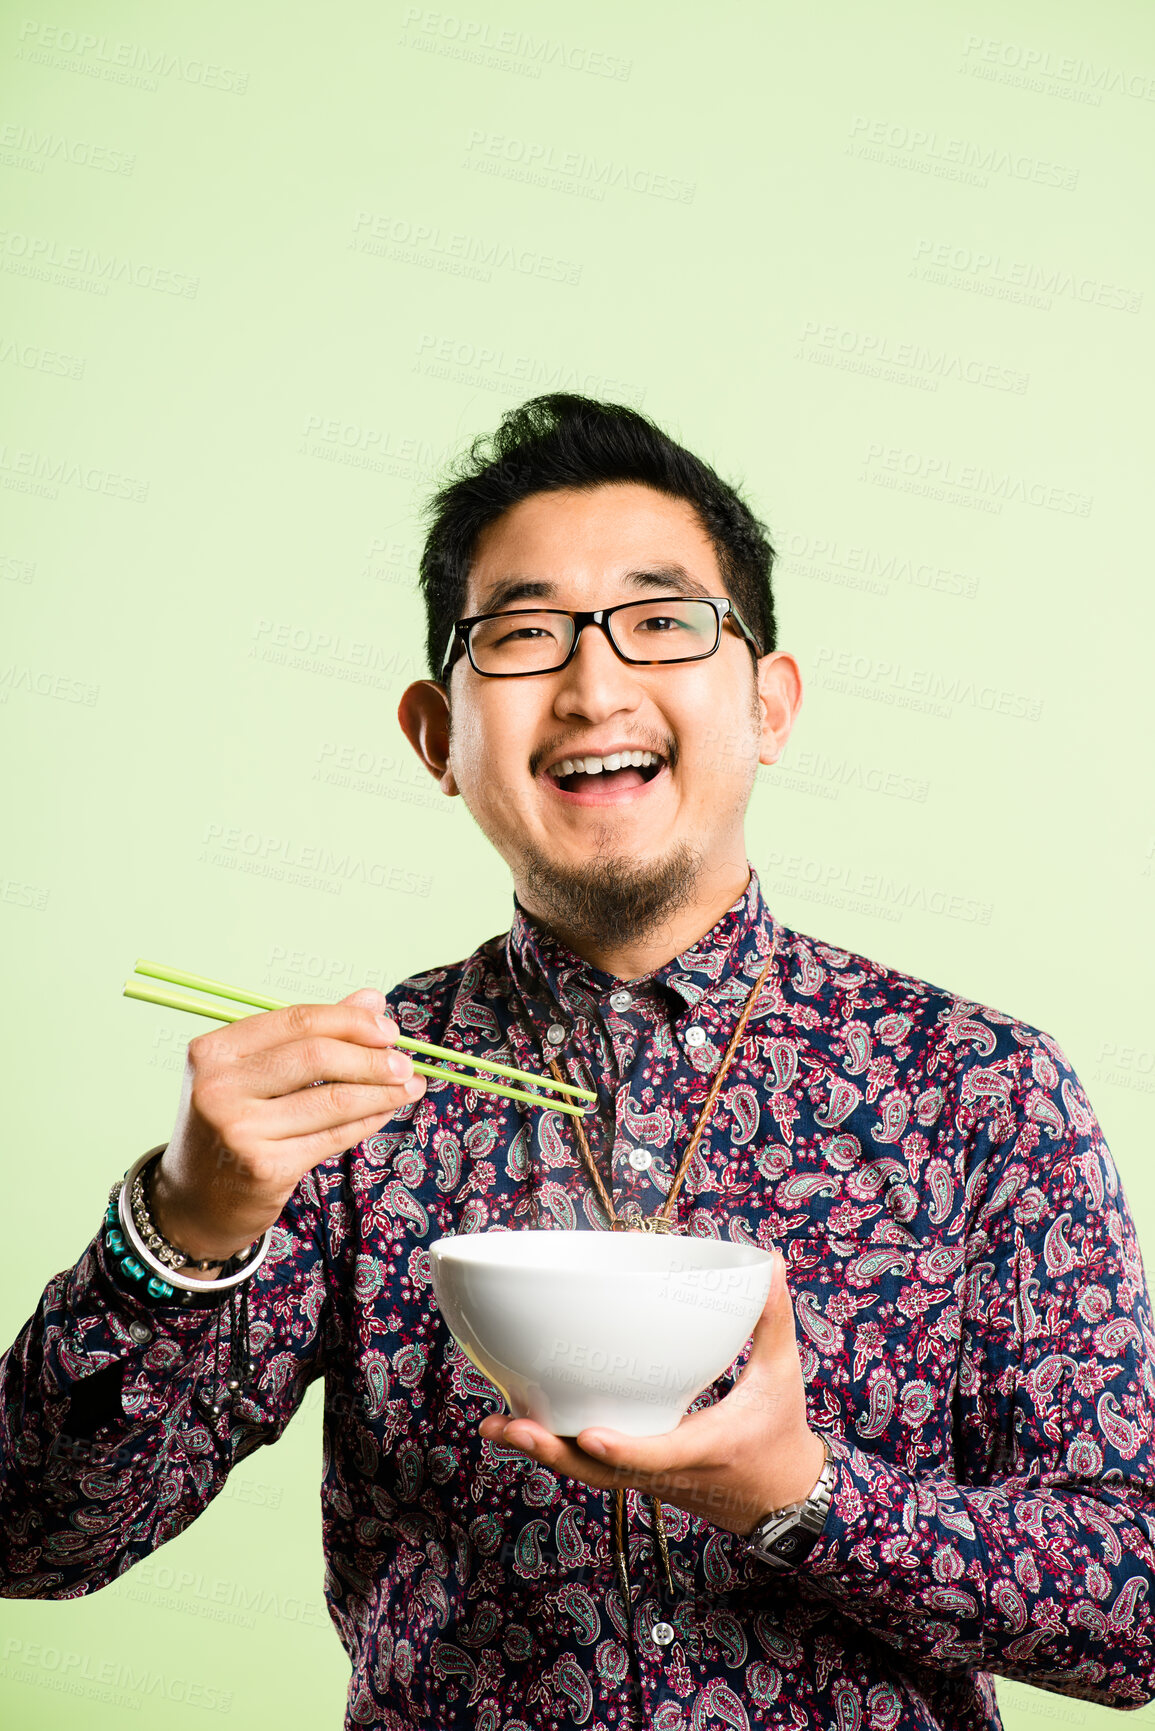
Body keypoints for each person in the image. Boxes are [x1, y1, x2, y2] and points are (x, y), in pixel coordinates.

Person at [2, 394, 1153, 1731]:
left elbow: (1134, 1617)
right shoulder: (355, 1098)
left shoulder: (977, 1088)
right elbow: (35, 1540)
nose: (595, 686)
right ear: (438, 736)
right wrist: (181, 1230)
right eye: (525, 635)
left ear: (768, 704)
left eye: (662, 622)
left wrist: (808, 1498)